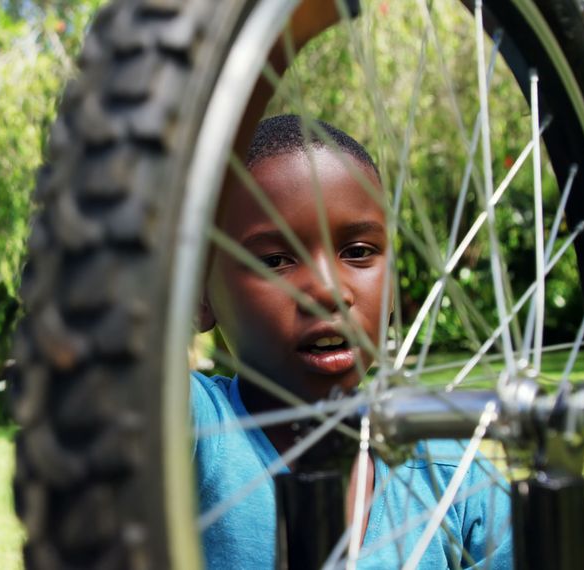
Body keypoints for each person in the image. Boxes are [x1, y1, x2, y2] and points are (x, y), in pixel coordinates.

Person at [192, 114, 512, 568]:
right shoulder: (198, 431)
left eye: (358, 252)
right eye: (277, 260)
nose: (327, 290)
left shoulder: (447, 467)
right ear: (199, 299)